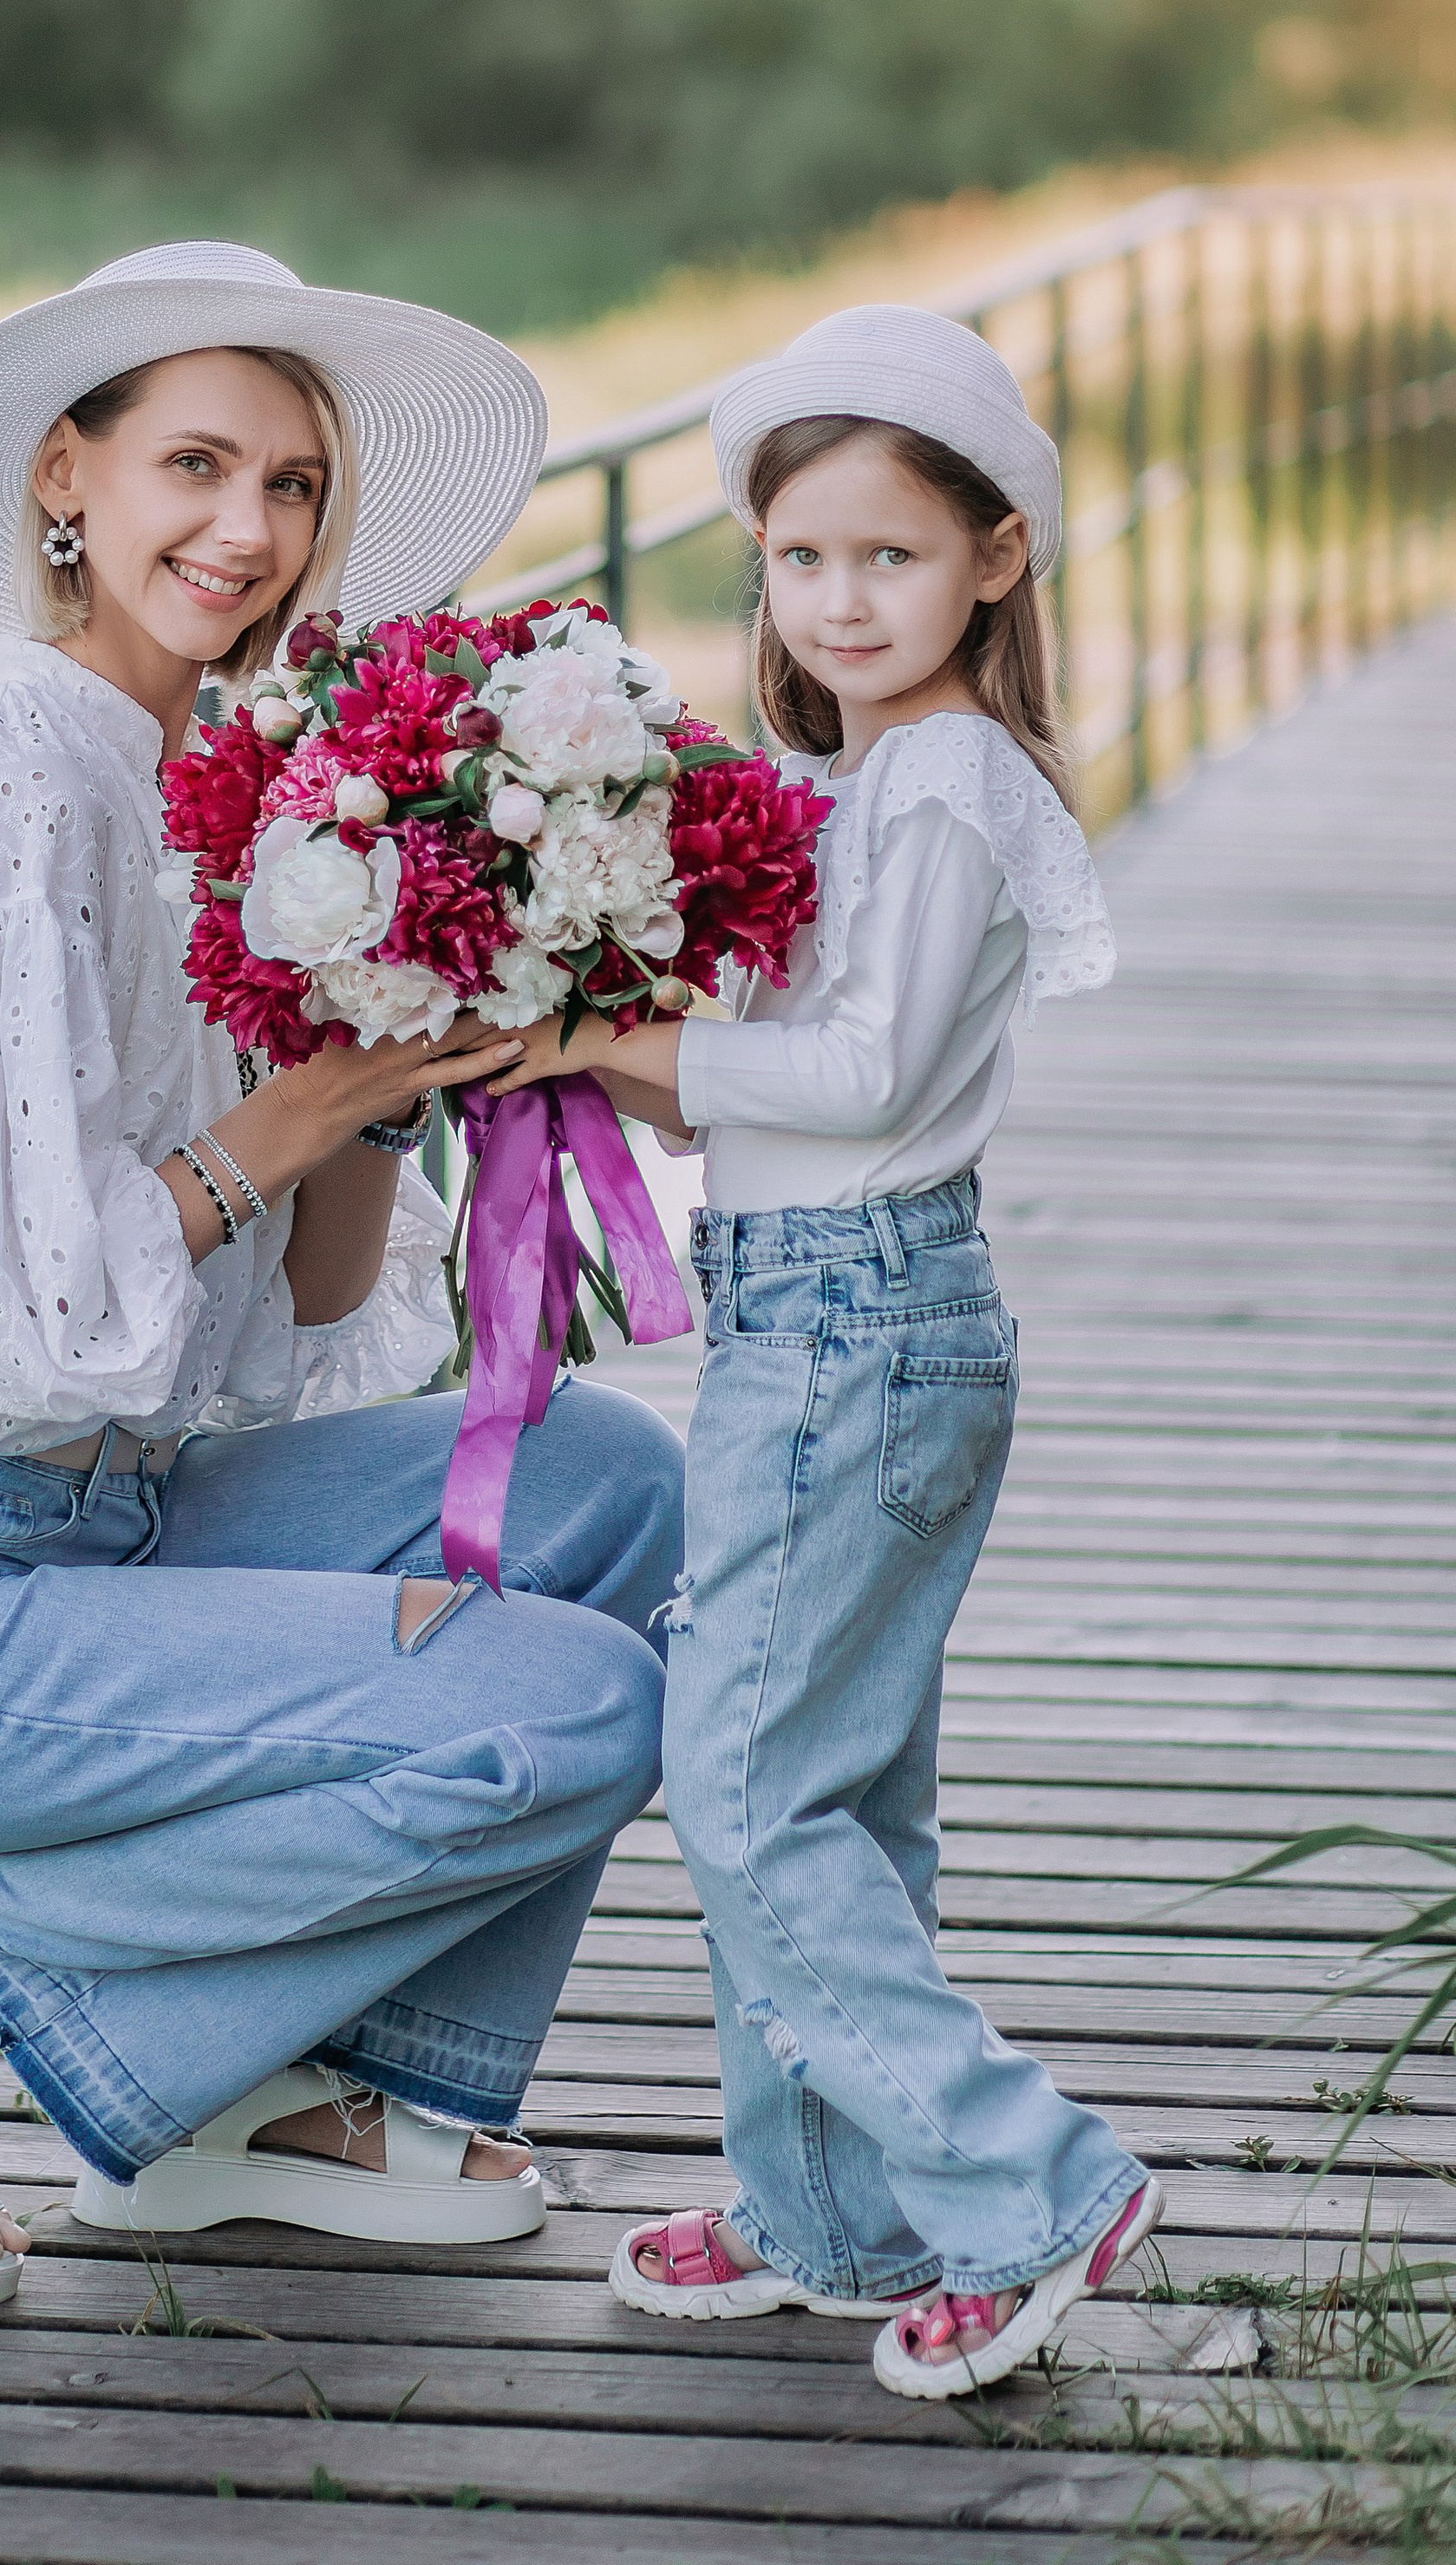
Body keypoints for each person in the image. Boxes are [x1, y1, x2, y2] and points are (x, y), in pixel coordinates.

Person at [0, 240, 683, 2310]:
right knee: (570, 1708)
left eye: (290, 486)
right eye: (193, 466)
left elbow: (303, 1333)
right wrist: (284, 1116)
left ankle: (263, 2091)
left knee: (600, 1485)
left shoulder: (229, 786)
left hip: (103, 1520)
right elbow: (24, 1325)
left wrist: (411, 1050)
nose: (245, 530)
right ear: (66, 476)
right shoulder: (16, 770)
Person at [488, 305, 1159, 2400]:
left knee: (747, 1785)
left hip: (859, 1324)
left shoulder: (944, 780)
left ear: (994, 560)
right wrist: (580, 1016)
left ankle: (1026, 2180)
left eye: (887, 555)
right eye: (798, 559)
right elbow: (785, 1080)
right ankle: (827, 2212)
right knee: (828, 1788)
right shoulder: (867, 778)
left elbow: (858, 1080)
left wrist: (605, 1034)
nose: (839, 597)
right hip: (830, 1316)